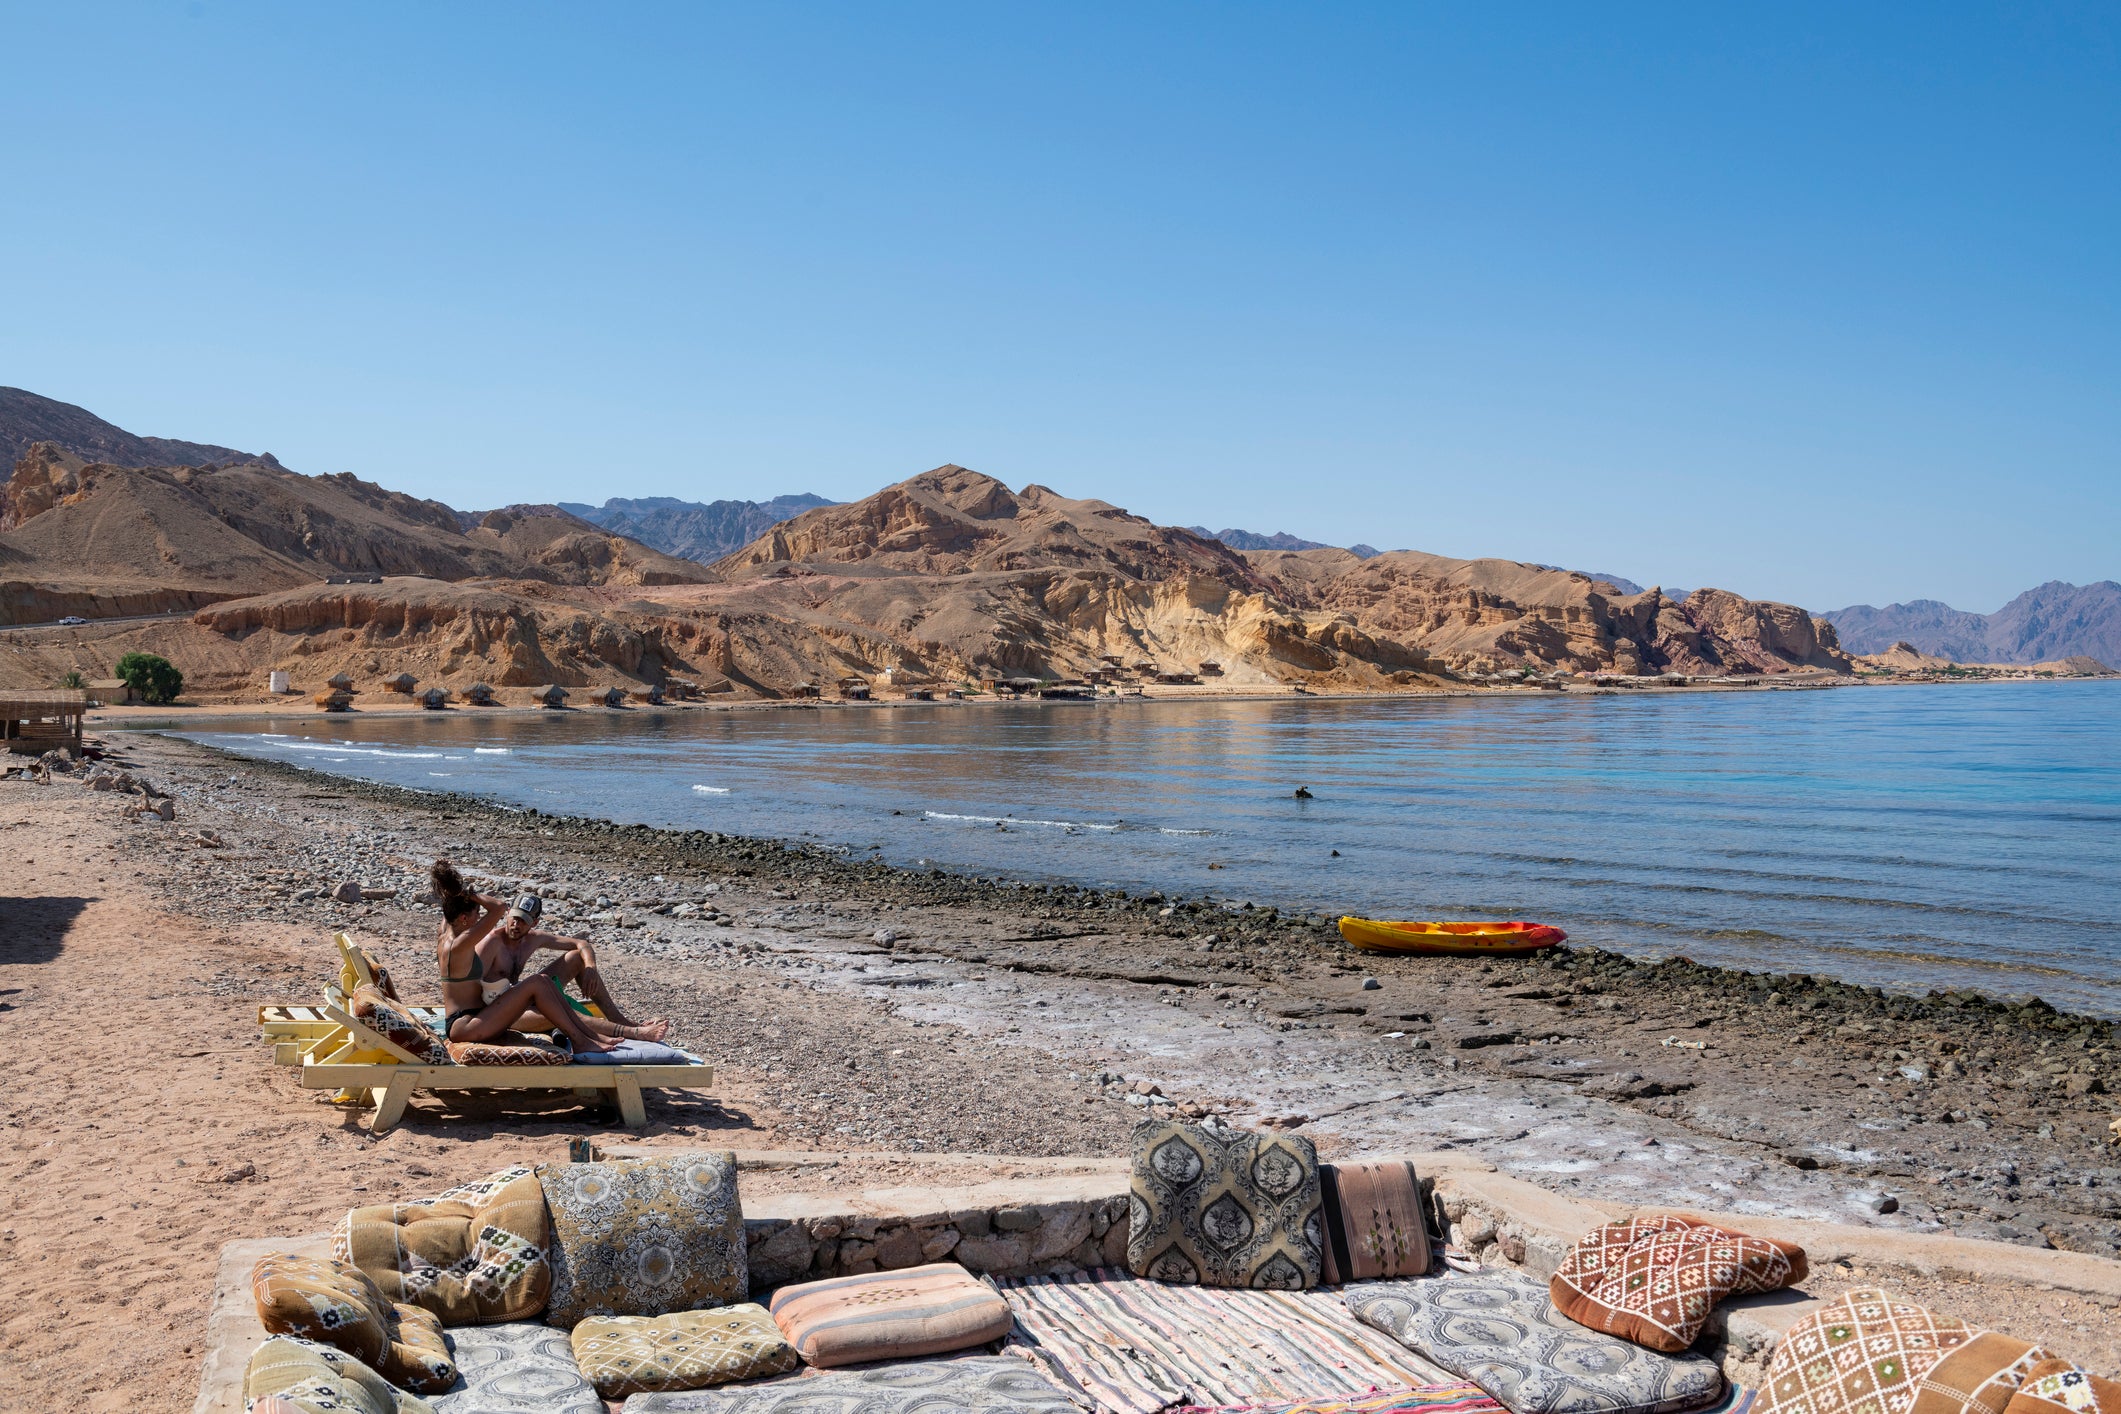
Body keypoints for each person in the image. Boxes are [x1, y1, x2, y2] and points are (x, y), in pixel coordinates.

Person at [431, 860, 619, 1053]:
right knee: (537, 982)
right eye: (477, 914)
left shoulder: (446, 933)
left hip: (473, 1018)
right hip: (467, 1024)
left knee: (544, 980)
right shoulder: (461, 944)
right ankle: (581, 1040)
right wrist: (469, 894)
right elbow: (499, 907)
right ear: (463, 919)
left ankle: (587, 1036)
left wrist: (453, 889)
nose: (479, 918)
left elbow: (449, 904)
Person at [487, 894, 671, 1042]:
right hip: (500, 1012)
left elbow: (581, 944)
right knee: (562, 1013)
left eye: (523, 921)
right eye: (514, 918)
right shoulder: (492, 942)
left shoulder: (534, 938)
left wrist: (591, 967)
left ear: (534, 923)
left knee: (577, 957)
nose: (516, 925)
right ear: (507, 913)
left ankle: (618, 1018)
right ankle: (634, 1033)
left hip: (519, 995)